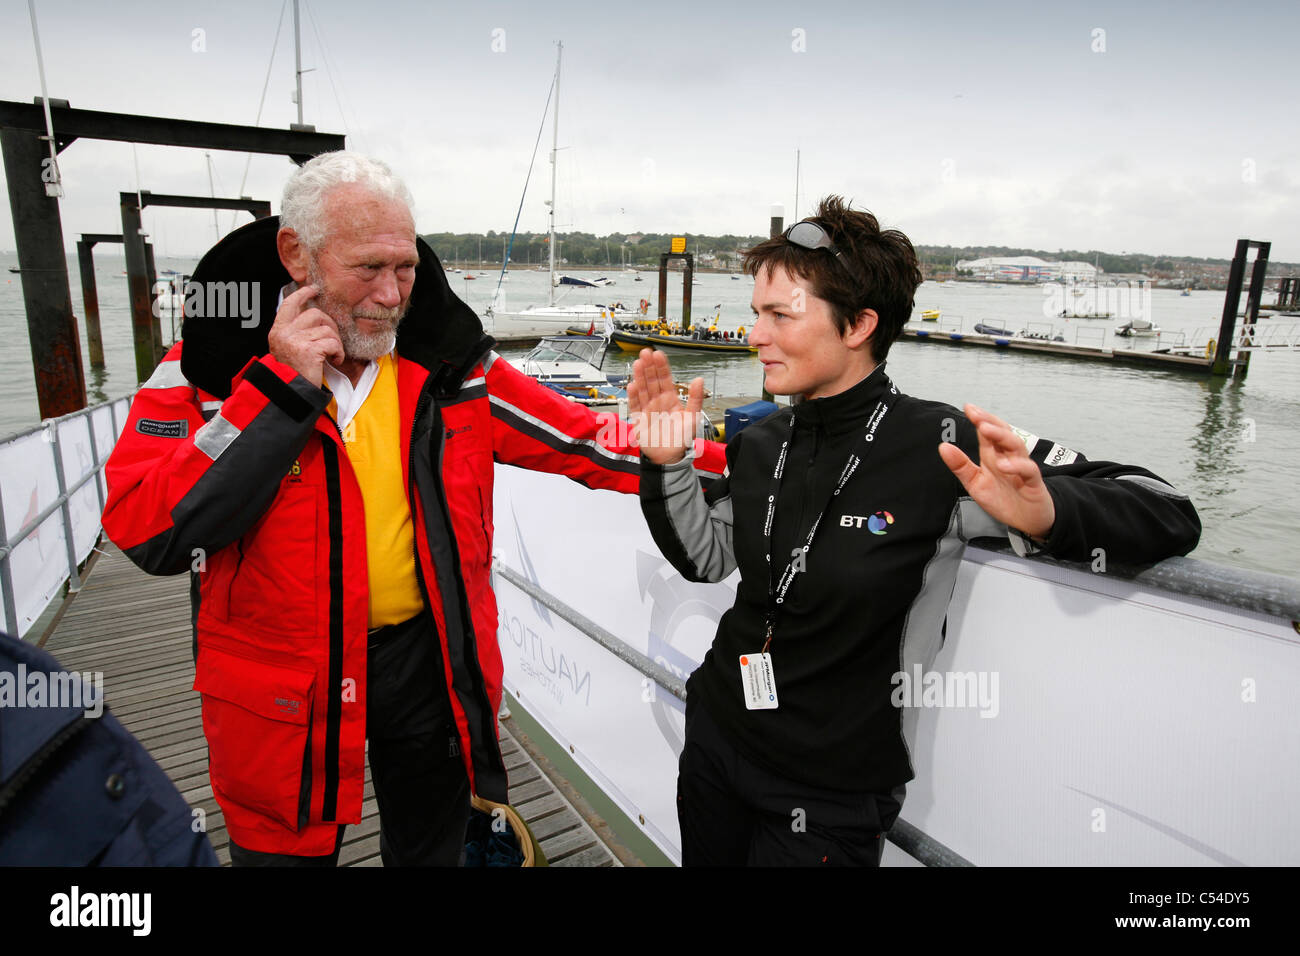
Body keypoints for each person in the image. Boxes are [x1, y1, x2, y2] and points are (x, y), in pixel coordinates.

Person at [101, 152, 725, 866]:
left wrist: (717, 460)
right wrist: (275, 390)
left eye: (406, 267)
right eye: (369, 268)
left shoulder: (450, 370)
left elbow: (584, 438)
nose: (394, 294)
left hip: (423, 659)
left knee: (432, 847)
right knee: (283, 853)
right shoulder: (205, 371)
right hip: (281, 681)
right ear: (295, 254)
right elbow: (148, 529)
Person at [630, 195, 1201, 867]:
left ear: (859, 325)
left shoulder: (944, 443)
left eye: (780, 315)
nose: (757, 334)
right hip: (717, 742)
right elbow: (707, 558)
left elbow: (1166, 505)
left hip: (830, 793)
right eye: (757, 312)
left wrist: (1048, 514)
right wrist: (666, 464)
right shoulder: (762, 441)